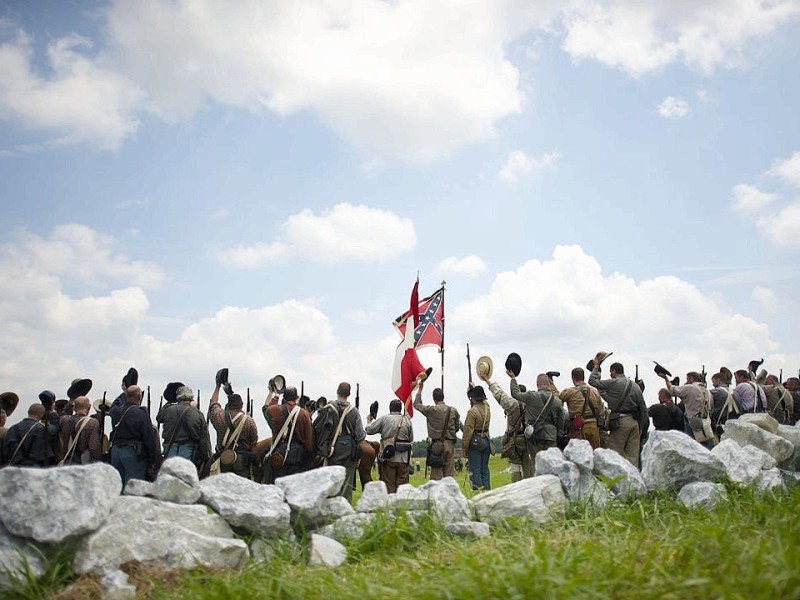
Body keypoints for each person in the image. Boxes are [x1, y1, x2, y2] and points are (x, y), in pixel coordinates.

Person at [589, 361, 648, 468]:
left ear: (614, 371)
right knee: (633, 458)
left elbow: (592, 381)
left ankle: (617, 482)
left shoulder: (614, 382)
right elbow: (643, 409)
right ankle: (633, 482)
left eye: (611, 372)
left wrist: (596, 366)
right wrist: (641, 426)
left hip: (620, 422)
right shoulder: (636, 386)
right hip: (634, 423)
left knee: (615, 456)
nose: (610, 374)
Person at [478, 367, 531, 481]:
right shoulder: (531, 404)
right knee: (528, 466)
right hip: (528, 439)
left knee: (515, 466)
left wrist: (487, 380)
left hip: (514, 439)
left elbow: (499, 394)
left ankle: (516, 489)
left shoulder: (512, 404)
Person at [109, 385, 160, 486]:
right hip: (132, 452)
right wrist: (153, 460)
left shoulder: (115, 411)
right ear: (139, 396)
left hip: (115, 452)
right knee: (133, 488)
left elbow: (114, 404)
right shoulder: (141, 413)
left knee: (118, 486)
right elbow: (148, 437)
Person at [262, 386, 314, 483]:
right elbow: (309, 441)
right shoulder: (304, 414)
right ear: (296, 398)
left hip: (278, 454)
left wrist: (276, 395)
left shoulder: (274, 410)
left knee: (278, 486)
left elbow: (267, 408)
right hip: (296, 456)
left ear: (284, 398)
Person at [208, 380, 259, 480]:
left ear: (229, 405)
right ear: (241, 405)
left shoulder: (219, 416)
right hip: (242, 460)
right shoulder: (249, 420)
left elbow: (213, 404)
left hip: (224, 458)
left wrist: (217, 386)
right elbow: (254, 443)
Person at [510, 372, 563, 465]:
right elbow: (561, 420)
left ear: (537, 384)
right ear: (549, 384)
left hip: (535, 435)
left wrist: (513, 378)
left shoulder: (531, 396)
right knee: (551, 465)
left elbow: (515, 394)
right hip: (551, 436)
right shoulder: (557, 401)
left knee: (537, 465)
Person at [157, 385, 211, 472]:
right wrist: (206, 458)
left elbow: (159, 418)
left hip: (170, 450)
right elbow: (204, 440)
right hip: (189, 452)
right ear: (191, 398)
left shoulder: (167, 410)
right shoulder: (198, 414)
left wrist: (169, 402)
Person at [413, 382, 460, 480]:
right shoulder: (453, 410)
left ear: (434, 399)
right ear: (443, 397)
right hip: (450, 444)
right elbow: (457, 428)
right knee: (449, 477)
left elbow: (417, 404)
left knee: (436, 477)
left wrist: (420, 390)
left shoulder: (431, 410)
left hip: (437, 446)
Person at [365, 399, 413, 493]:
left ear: (390, 408)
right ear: (400, 409)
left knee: (389, 484)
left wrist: (369, 421)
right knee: (402, 486)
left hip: (388, 456)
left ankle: (391, 505)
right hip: (403, 458)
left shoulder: (384, 419)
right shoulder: (407, 421)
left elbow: (369, 430)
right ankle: (401, 505)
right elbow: (410, 439)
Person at [559, 367, 604, 450]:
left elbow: (557, 399)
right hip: (594, 426)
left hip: (579, 428)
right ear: (583, 377)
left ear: (573, 378)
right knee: (595, 455)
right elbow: (601, 411)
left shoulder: (570, 392)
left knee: (579, 456)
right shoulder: (595, 391)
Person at [462, 385, 491, 491]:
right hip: (486, 440)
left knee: (475, 473)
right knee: (485, 471)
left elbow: (468, 431)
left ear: (473, 398)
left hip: (475, 443)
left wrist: (464, 448)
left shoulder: (472, 411)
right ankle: (488, 494)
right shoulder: (487, 407)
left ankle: (478, 496)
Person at [58, 395, 102, 464]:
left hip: (67, 460)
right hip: (83, 462)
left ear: (74, 408)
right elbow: (93, 447)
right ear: (89, 407)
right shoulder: (92, 422)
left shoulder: (64, 419)